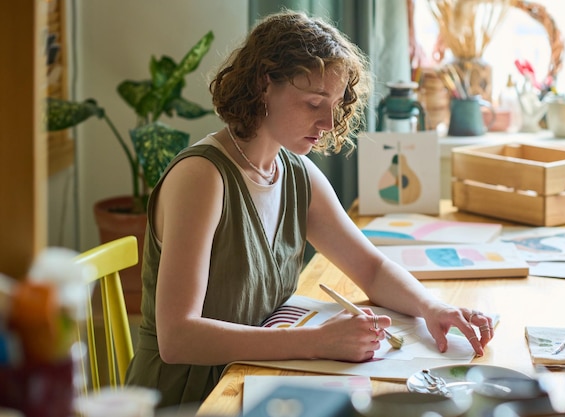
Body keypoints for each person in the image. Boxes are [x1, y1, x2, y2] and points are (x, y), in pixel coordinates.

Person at [125, 10, 494, 409]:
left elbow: (370, 268)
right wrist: (317, 342)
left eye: (335, 104)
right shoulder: (202, 178)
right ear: (263, 85)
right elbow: (178, 338)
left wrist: (433, 308)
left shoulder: (297, 173)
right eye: (314, 102)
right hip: (188, 397)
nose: (328, 121)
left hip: (254, 375)